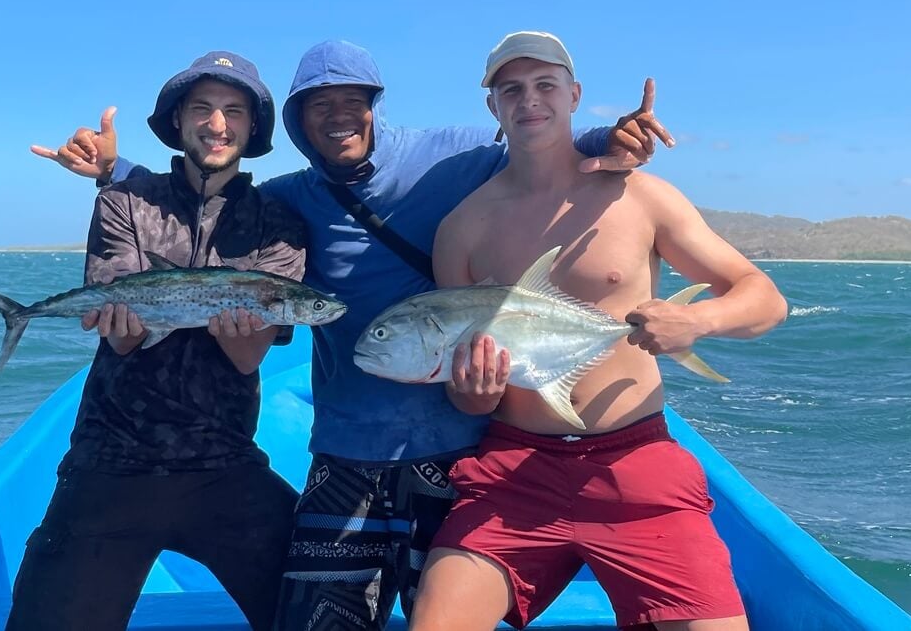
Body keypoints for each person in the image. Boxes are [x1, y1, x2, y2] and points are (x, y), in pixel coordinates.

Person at [33, 39, 672, 631]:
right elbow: (193, 192)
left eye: (352, 102)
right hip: (340, 450)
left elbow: (533, 138)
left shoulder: (434, 159)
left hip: (452, 445)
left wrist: (608, 134)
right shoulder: (292, 199)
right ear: (294, 125)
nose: (338, 117)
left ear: (373, 107)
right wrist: (113, 174)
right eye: (318, 107)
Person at [408, 31, 788, 631]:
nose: (529, 100)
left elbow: (763, 297)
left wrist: (696, 320)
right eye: (512, 90)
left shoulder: (638, 196)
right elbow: (462, 390)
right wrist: (473, 392)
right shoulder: (462, 227)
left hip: (634, 460)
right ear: (494, 108)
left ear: (574, 94)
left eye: (545, 85)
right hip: (514, 468)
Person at [5, 51, 308, 631]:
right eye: (202, 108)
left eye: (234, 111)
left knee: (323, 611)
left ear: (252, 128)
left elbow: (248, 356)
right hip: (111, 460)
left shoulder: (279, 223)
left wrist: (239, 330)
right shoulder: (123, 201)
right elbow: (121, 340)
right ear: (177, 120)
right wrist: (129, 322)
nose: (217, 124)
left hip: (227, 464)